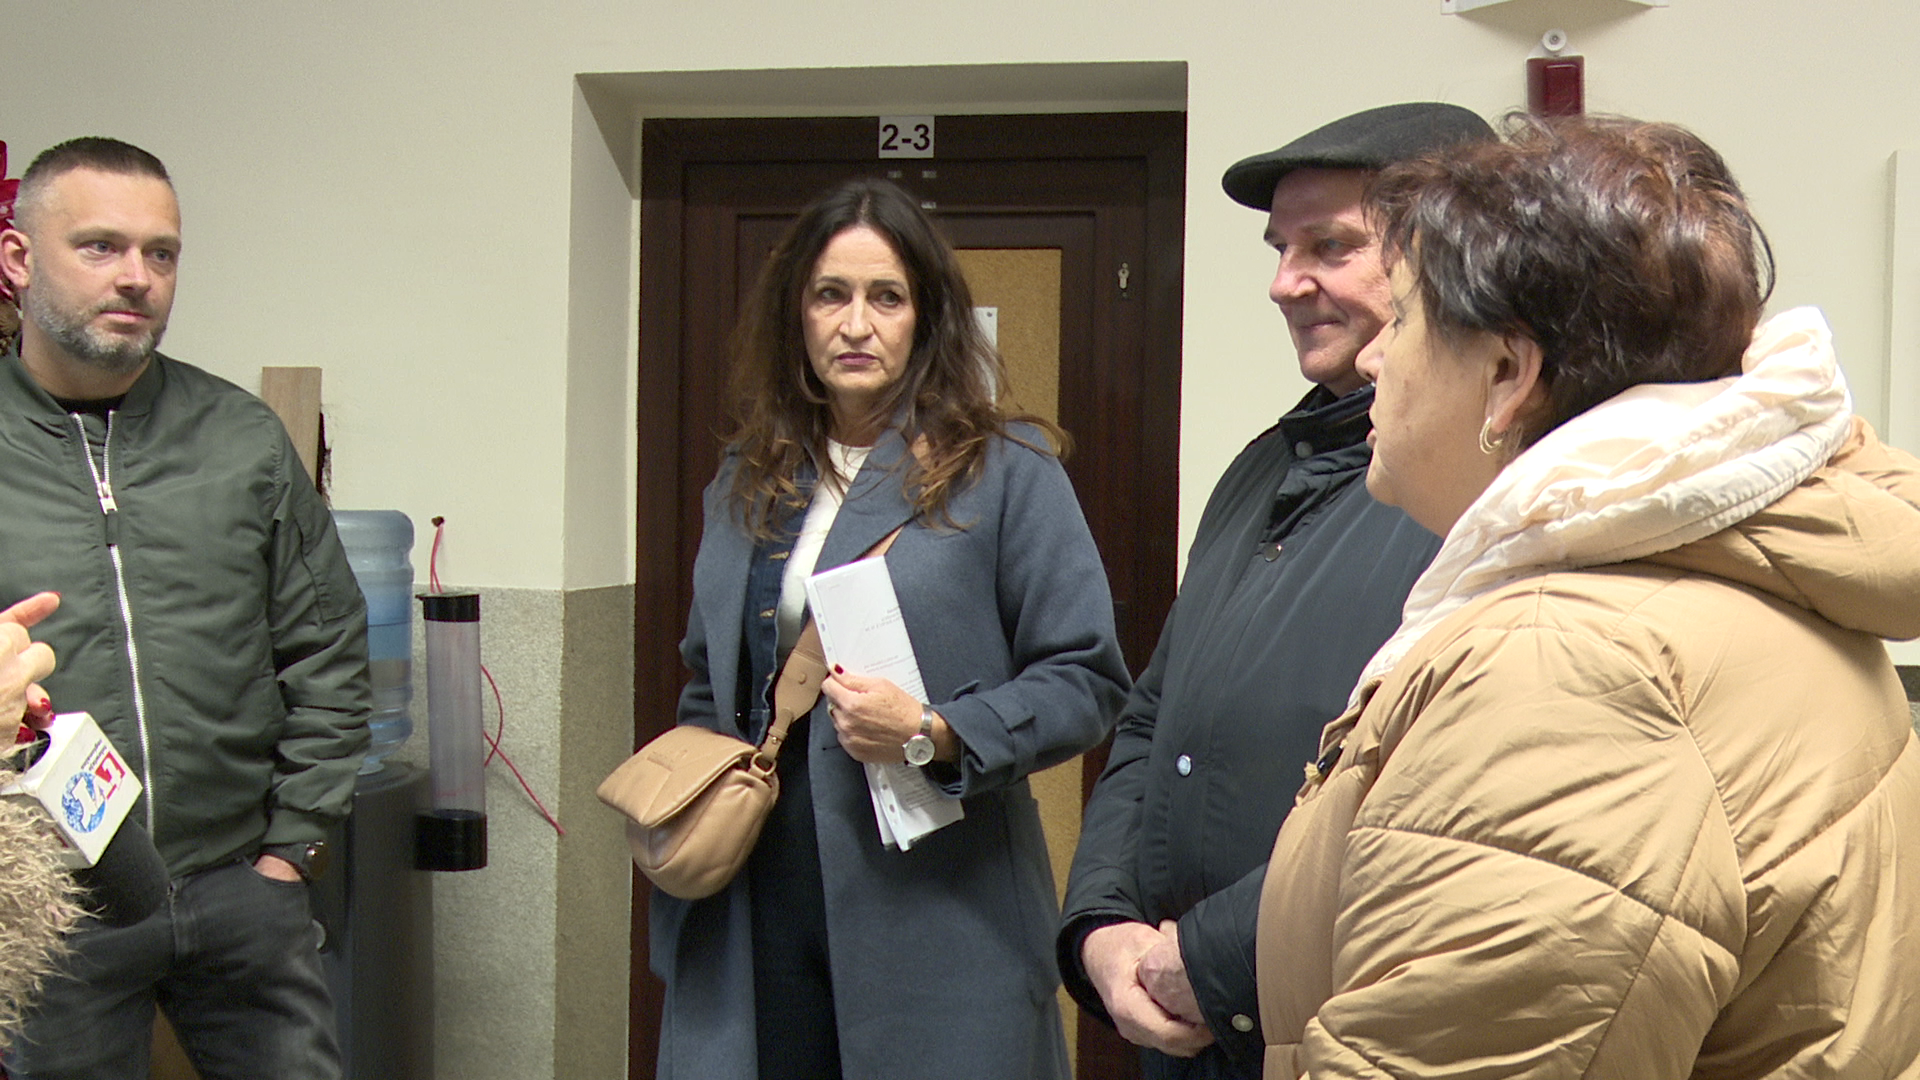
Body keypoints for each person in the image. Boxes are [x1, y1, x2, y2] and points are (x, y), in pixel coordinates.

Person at [1253, 114, 1920, 1077]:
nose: (1370, 359)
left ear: (1507, 375)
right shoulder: (1711, 576)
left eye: (1402, 321)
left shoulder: (1564, 672)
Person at [651, 177, 1130, 1080]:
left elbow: (1087, 679)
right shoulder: (748, 476)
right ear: (796, 314)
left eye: (886, 298)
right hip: (752, 894)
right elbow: (708, 677)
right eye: (830, 295)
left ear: (926, 317)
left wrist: (935, 731)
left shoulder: (1005, 471)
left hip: (938, 906)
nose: (856, 324)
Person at [1058, 103, 1488, 1078]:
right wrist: (1103, 927)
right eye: (1281, 249)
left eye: (1330, 247)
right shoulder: (1259, 470)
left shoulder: (1479, 489)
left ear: (1446, 258)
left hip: (1349, 1032)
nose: (1285, 282)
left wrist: (1212, 960)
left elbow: (1439, 796)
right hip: (1182, 1027)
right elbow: (1153, 717)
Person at [0, 137, 369, 1079]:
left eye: (160, 253)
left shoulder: (239, 437)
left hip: (241, 887)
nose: (137, 277)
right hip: (55, 903)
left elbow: (327, 646)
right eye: (100, 246)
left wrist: (293, 848)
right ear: (18, 259)